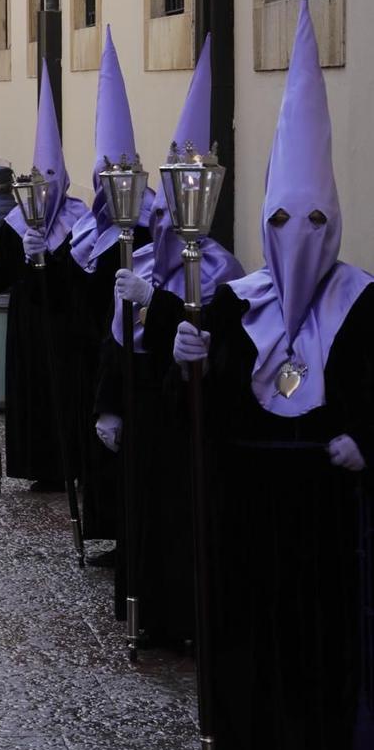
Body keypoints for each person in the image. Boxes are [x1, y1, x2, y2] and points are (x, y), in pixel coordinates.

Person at [171, 2, 373, 750]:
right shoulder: (230, 304)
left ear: (336, 222)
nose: (298, 234)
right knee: (257, 634)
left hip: (331, 507)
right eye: (281, 220)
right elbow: (201, 408)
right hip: (251, 506)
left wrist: (367, 438)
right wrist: (186, 365)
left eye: (314, 220)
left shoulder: (363, 305)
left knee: (336, 633)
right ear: (262, 220)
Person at [96, 39, 242, 643]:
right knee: (144, 513)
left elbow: (209, 339)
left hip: (187, 421)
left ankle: (182, 616)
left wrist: (151, 303)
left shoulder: (223, 269)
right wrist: (107, 404)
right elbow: (118, 344)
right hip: (145, 417)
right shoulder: (143, 261)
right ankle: (144, 606)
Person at [0, 64, 86, 488]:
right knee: (32, 394)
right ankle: (36, 466)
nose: (47, 191)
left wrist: (51, 261)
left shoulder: (80, 222)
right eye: (40, 181)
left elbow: (82, 280)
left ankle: (70, 464)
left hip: (64, 326)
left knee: (64, 391)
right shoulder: (18, 223)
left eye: (53, 181)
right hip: (27, 325)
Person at [67, 31, 151, 554]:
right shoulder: (81, 229)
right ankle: (103, 530)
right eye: (101, 176)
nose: (107, 185)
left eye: (117, 175)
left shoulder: (148, 231)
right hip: (88, 355)